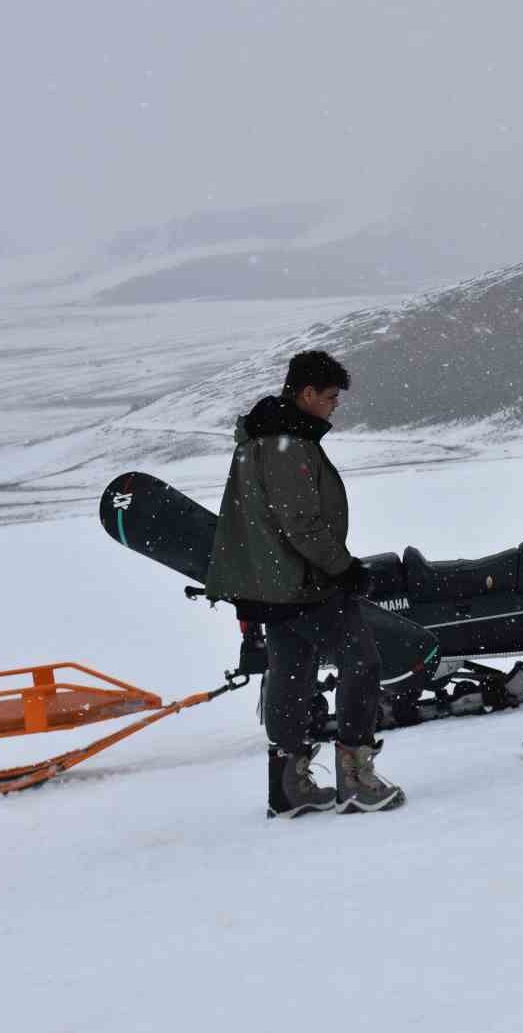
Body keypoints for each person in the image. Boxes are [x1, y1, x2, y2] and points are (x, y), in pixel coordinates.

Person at [204, 350, 405, 817]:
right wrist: (345, 569)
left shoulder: (261, 437)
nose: (335, 405)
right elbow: (302, 524)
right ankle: (356, 779)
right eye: (331, 397)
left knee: (291, 673)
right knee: (362, 663)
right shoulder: (286, 443)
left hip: (270, 585)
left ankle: (288, 788)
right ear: (306, 393)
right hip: (303, 583)